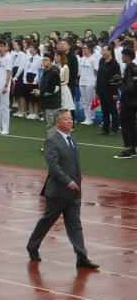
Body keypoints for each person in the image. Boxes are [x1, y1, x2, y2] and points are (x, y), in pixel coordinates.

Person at [27, 109, 99, 269]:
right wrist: (68, 181)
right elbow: (53, 166)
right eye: (66, 119)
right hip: (58, 192)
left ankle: (82, 257)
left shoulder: (72, 140)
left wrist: (77, 181)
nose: (70, 121)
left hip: (74, 191)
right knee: (47, 221)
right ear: (57, 122)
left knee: (75, 225)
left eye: (71, 118)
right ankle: (32, 246)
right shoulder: (51, 141)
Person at [115, 48, 137, 159]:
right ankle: (133, 148)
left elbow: (129, 87)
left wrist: (119, 83)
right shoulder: (134, 67)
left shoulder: (129, 68)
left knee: (125, 124)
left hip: (128, 101)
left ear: (128, 56)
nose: (122, 57)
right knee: (132, 124)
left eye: (123, 55)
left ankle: (127, 149)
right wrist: (121, 80)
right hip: (134, 102)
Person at [94, 45, 121, 135]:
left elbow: (117, 79)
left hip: (110, 91)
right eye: (102, 50)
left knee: (113, 110)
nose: (102, 52)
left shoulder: (115, 64)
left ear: (110, 51)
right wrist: (97, 91)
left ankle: (114, 129)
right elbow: (99, 76)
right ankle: (105, 128)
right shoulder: (101, 61)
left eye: (104, 50)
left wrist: (115, 93)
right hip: (102, 90)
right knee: (104, 110)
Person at [36, 53, 62, 130]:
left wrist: (40, 93)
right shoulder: (45, 71)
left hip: (52, 104)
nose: (43, 62)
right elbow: (45, 87)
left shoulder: (54, 73)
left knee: (52, 127)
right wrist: (38, 91)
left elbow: (54, 90)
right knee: (49, 126)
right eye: (43, 60)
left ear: (51, 62)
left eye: (46, 60)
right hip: (45, 103)